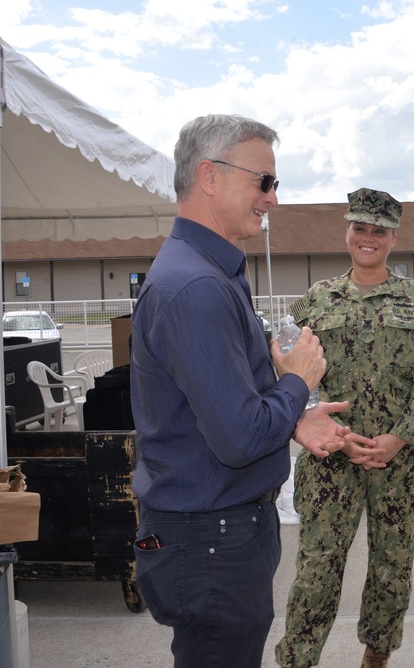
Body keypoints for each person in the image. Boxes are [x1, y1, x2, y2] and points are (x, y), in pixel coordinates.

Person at [130, 114, 357, 668]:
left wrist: (293, 416)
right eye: (264, 182)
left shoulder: (211, 270)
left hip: (216, 534)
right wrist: (296, 381)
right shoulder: (198, 285)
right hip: (210, 541)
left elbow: (221, 403)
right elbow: (237, 437)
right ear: (209, 175)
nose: (273, 199)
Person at [275, 187, 414, 668]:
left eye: (379, 230)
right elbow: (287, 370)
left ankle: (376, 656)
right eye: (360, 228)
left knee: (391, 567)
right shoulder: (316, 302)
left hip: (401, 463)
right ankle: (298, 659)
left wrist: (399, 438)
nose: (368, 237)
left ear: (393, 238)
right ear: (348, 232)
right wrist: (310, 419)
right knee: (317, 567)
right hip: (331, 458)